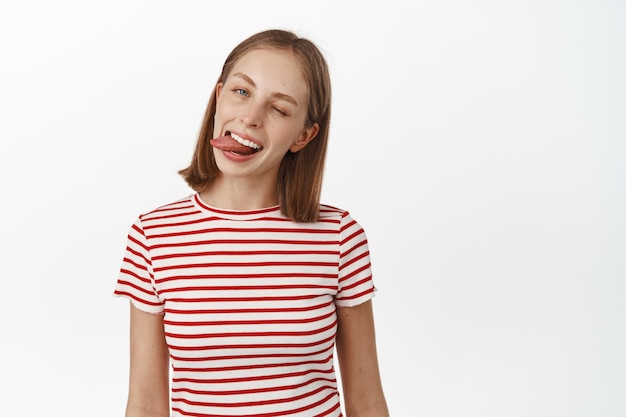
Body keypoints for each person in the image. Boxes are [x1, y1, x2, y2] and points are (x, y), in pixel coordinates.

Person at [114, 28, 389, 417]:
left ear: (304, 136)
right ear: (218, 96)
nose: (250, 117)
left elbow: (366, 402)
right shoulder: (153, 236)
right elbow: (144, 405)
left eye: (279, 109)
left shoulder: (340, 238)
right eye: (241, 92)